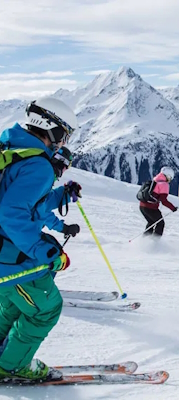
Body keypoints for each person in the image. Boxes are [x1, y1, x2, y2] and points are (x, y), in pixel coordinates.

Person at [0, 97, 80, 382]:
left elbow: (26, 201)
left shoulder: (13, 148)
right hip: (11, 256)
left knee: (12, 302)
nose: (63, 142)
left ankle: (3, 351)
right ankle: (11, 365)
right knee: (46, 309)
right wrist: (41, 249)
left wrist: (61, 195)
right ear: (53, 128)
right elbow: (11, 211)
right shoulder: (39, 165)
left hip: (5, 253)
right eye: (64, 133)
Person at [44, 147, 81, 239]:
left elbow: (44, 201)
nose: (64, 171)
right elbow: (39, 210)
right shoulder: (42, 176)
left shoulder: (42, 173)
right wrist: (64, 228)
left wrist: (66, 193)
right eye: (67, 167)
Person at [139, 166, 178, 237]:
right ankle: (155, 242)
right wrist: (173, 208)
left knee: (151, 222)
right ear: (167, 176)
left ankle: (145, 240)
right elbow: (164, 201)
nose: (169, 180)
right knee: (160, 223)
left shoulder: (155, 180)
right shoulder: (164, 184)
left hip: (142, 206)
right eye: (170, 178)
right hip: (151, 208)